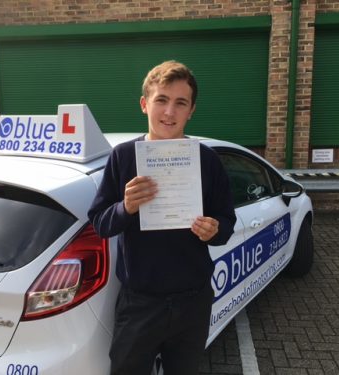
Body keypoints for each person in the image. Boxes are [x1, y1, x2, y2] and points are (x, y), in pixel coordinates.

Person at [88, 60, 236, 375]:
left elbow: (227, 223)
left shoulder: (207, 160)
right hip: (140, 303)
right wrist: (125, 207)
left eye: (180, 103)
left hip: (193, 301)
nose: (169, 112)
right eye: (161, 100)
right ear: (145, 104)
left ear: (191, 110)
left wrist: (215, 229)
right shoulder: (124, 157)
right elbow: (100, 223)